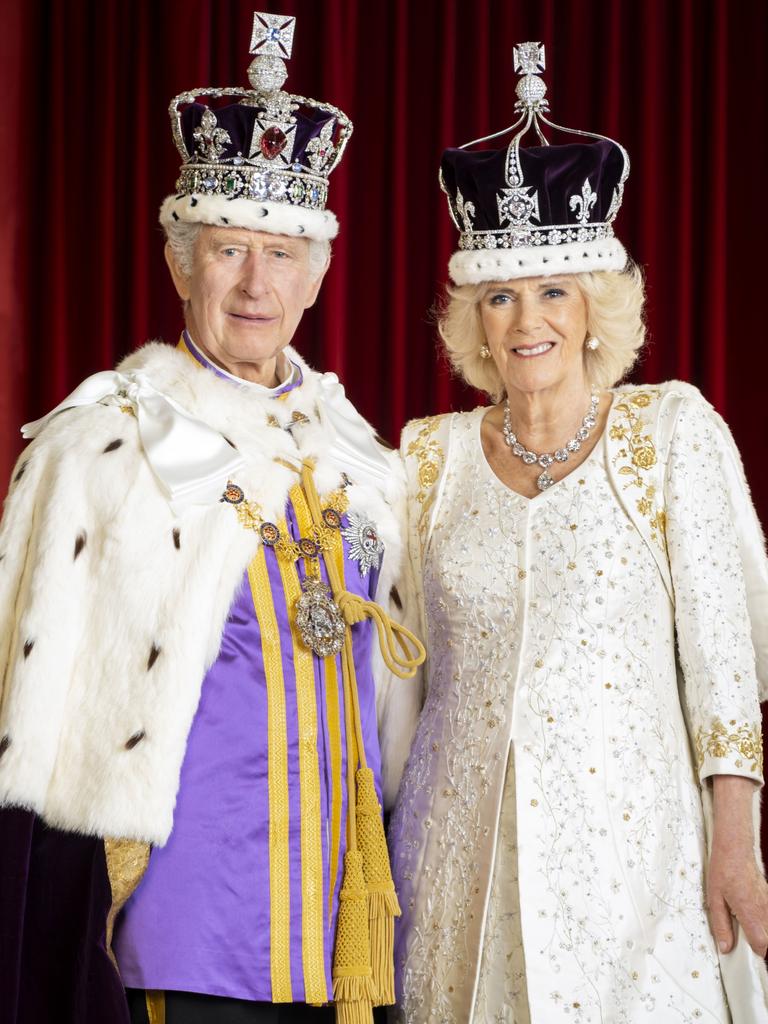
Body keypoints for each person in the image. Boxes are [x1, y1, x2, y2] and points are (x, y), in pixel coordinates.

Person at [0, 12, 423, 1024]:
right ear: (179, 261)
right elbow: (36, 719)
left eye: (281, 253)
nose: (254, 282)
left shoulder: (361, 457)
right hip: (181, 921)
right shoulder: (105, 444)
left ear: (318, 272)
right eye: (227, 248)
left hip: (342, 919)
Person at [386, 41, 768, 1023]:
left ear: (596, 305)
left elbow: (727, 668)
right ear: (474, 314)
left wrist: (738, 843)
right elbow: (396, 682)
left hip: (635, 875)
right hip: (454, 870)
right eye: (502, 296)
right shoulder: (426, 460)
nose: (527, 321)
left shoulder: (672, 432)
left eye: (553, 290)